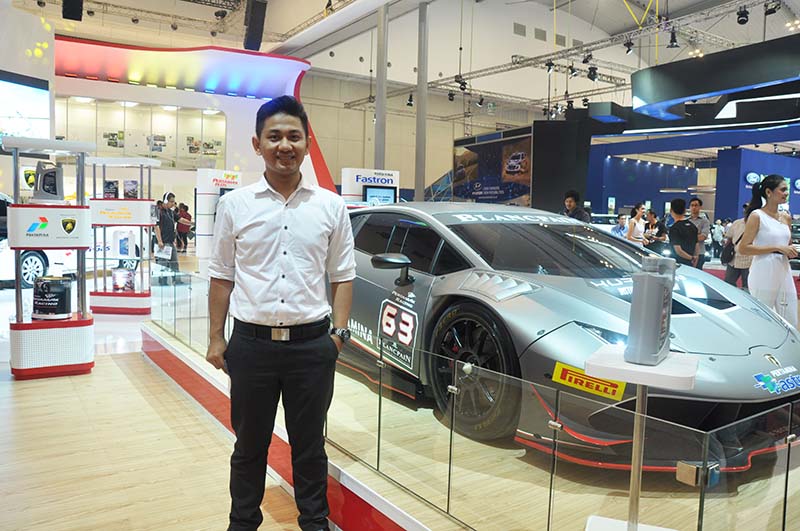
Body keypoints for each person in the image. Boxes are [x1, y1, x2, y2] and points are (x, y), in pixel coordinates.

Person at [206, 95, 356, 531]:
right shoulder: (235, 205)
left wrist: (338, 336)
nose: (284, 145)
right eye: (274, 137)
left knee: (310, 447)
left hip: (312, 347)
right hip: (251, 347)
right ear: (258, 144)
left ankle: (314, 523)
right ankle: (242, 523)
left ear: (307, 143)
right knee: (249, 447)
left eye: (294, 136)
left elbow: (343, 276)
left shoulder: (331, 206)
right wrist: (216, 337)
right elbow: (221, 276)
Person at [738, 175, 798, 327]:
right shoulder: (757, 216)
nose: (786, 193)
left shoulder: (786, 217)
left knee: (789, 314)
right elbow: (744, 248)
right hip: (763, 269)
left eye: (787, 190)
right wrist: (777, 247)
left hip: (783, 268)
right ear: (769, 192)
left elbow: (787, 243)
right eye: (782, 190)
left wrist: (791, 250)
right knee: (763, 317)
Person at [723, 204, 753, 290]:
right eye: (745, 209)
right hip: (734, 260)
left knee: (748, 288)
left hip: (749, 261)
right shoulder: (737, 223)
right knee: (728, 285)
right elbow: (729, 239)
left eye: (748, 209)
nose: (745, 211)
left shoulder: (758, 225)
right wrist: (725, 254)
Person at [154, 192, 180, 284]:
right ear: (165, 201)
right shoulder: (158, 211)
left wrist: (192, 223)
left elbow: (180, 219)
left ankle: (176, 280)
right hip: (163, 243)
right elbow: (156, 226)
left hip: (170, 242)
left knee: (174, 263)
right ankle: (162, 281)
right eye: (171, 201)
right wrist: (160, 241)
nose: (173, 204)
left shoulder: (171, 212)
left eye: (174, 202)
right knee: (162, 264)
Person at [668, 198, 699, 267]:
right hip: (690, 263)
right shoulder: (693, 226)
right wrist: (695, 258)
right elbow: (697, 245)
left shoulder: (674, 228)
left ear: (671, 211)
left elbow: (678, 250)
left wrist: (691, 258)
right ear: (685, 211)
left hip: (677, 263)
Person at [688, 197, 710, 269]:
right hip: (686, 251)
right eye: (692, 205)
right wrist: (696, 235)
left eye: (696, 205)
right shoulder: (686, 221)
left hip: (700, 252)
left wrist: (687, 237)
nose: (694, 207)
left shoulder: (705, 221)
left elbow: (703, 237)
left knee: (697, 272)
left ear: (700, 207)